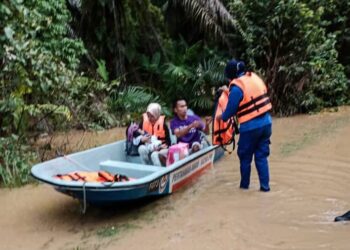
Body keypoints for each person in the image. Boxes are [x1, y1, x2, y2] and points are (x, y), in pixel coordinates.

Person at [216, 59, 272, 192]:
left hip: (250, 127)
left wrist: (220, 117)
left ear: (231, 75)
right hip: (267, 123)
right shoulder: (254, 78)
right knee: (261, 157)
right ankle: (265, 188)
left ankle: (244, 188)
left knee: (245, 157)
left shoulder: (236, 87)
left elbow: (230, 111)